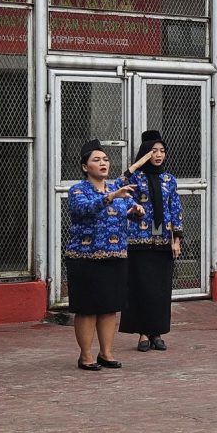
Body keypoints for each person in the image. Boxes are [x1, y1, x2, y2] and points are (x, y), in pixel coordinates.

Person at [65, 140, 144, 371]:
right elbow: (84, 210)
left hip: (115, 256)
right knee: (88, 308)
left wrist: (136, 211)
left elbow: (132, 214)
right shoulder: (78, 190)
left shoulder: (116, 189)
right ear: (84, 167)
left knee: (109, 307)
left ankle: (106, 353)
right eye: (96, 160)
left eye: (106, 160)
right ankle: (85, 355)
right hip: (84, 258)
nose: (103, 163)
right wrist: (111, 197)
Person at [119, 130, 184, 353]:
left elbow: (175, 210)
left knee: (160, 289)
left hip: (163, 241)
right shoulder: (136, 178)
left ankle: (157, 333)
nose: (158, 155)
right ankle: (143, 333)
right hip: (140, 241)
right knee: (141, 288)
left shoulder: (169, 179)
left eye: (162, 151)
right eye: (153, 151)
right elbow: (117, 185)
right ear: (145, 154)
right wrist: (137, 164)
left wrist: (176, 240)